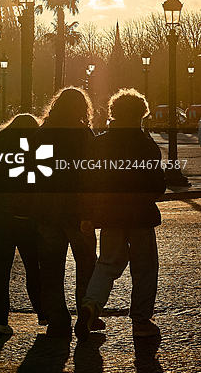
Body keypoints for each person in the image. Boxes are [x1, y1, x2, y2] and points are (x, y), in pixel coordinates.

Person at [75, 89, 166, 341]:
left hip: (110, 214)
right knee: (145, 268)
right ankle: (141, 319)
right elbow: (157, 185)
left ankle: (91, 303)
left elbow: (89, 182)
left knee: (106, 264)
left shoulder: (100, 143)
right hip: (140, 215)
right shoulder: (146, 145)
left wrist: (88, 214)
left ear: (114, 113)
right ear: (140, 115)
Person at [32, 87, 99, 338]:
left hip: (48, 209)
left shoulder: (43, 133)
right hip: (78, 209)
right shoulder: (84, 134)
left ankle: (58, 319)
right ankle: (86, 312)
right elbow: (91, 174)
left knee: (51, 267)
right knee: (86, 264)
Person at [0, 113, 46, 336]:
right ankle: (42, 313)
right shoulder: (33, 148)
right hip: (25, 217)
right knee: (33, 268)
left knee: (1, 271)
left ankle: (0, 320)